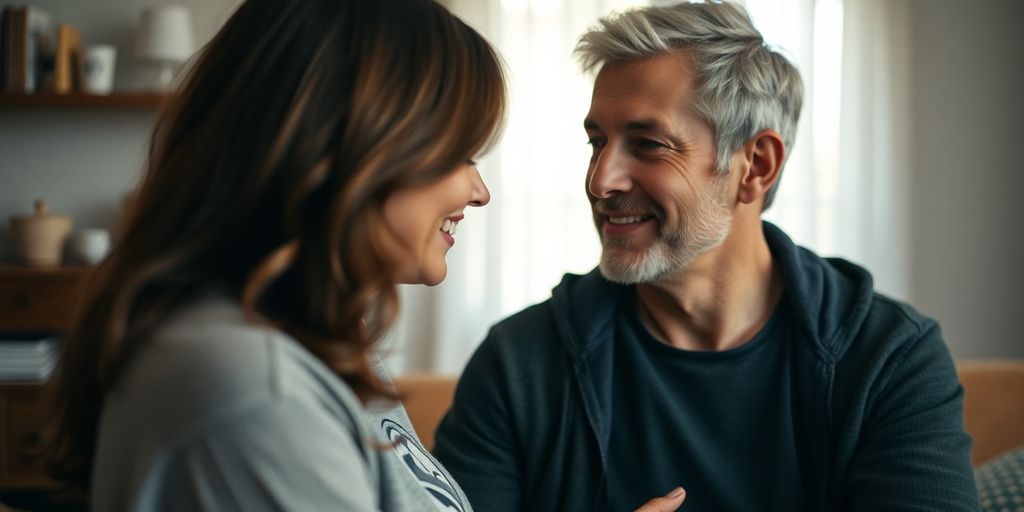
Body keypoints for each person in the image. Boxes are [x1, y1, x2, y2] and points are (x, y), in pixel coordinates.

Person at [434, 2, 979, 511]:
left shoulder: (891, 359)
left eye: (648, 144)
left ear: (756, 166)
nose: (600, 180)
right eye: (596, 142)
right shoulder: (519, 364)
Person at [47, 0, 506, 510]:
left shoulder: (309, 339)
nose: (480, 191)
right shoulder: (258, 393)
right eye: (461, 153)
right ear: (353, 143)